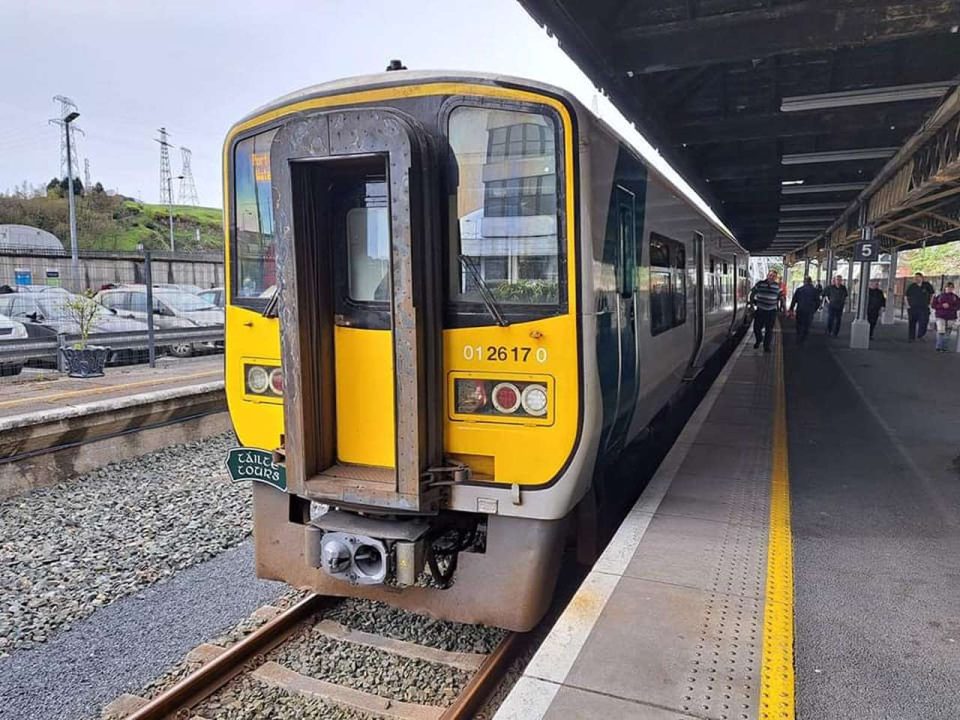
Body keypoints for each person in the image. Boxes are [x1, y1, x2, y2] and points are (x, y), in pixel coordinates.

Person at [749, 270, 784, 353]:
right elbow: (752, 293)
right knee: (756, 328)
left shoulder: (777, 286)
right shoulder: (760, 284)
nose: (772, 277)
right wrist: (751, 305)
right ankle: (759, 339)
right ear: (767, 275)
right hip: (760, 310)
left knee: (769, 330)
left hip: (771, 311)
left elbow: (781, 298)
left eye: (774, 276)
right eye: (770, 275)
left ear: (775, 278)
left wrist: (783, 309)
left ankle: (766, 346)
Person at [789, 276, 820, 345]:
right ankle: (803, 339)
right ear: (811, 282)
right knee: (807, 325)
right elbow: (818, 302)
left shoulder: (799, 290)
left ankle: (798, 338)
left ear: (804, 282)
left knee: (799, 324)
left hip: (800, 310)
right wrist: (814, 309)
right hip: (809, 311)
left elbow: (794, 300)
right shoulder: (815, 290)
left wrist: (791, 309)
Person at [905, 272, 935, 341]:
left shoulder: (927, 285)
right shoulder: (912, 286)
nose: (916, 279)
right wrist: (908, 305)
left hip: (924, 307)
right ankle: (911, 337)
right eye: (915, 278)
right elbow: (906, 296)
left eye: (918, 277)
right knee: (912, 322)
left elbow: (932, 294)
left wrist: (930, 303)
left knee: (924, 321)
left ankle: (920, 335)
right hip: (913, 308)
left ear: (922, 278)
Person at [932, 282, 959, 352]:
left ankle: (944, 347)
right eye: (948, 287)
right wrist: (942, 306)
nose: (949, 289)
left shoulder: (955, 297)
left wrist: (950, 306)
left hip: (951, 317)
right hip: (940, 316)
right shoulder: (939, 296)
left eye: (951, 287)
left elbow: (958, 306)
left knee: (947, 333)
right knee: (941, 331)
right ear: (945, 288)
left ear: (953, 288)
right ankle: (938, 347)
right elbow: (933, 305)